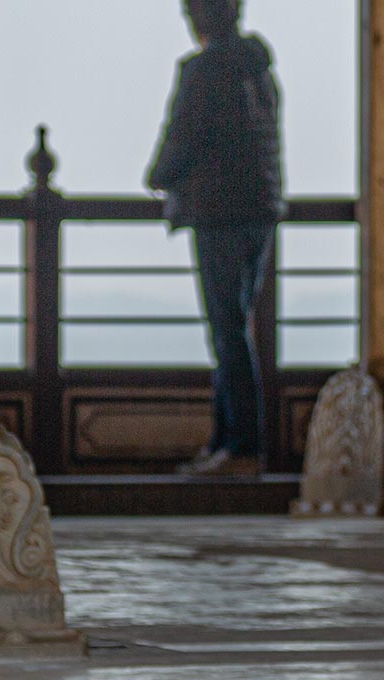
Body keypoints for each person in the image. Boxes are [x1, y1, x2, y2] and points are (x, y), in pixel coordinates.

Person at [146, 0, 284, 478]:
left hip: (218, 211)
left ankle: (240, 447)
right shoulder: (260, 70)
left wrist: (157, 176)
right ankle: (227, 442)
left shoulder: (203, 70)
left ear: (199, 18)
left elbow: (182, 135)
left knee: (227, 331)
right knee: (236, 327)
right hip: (260, 209)